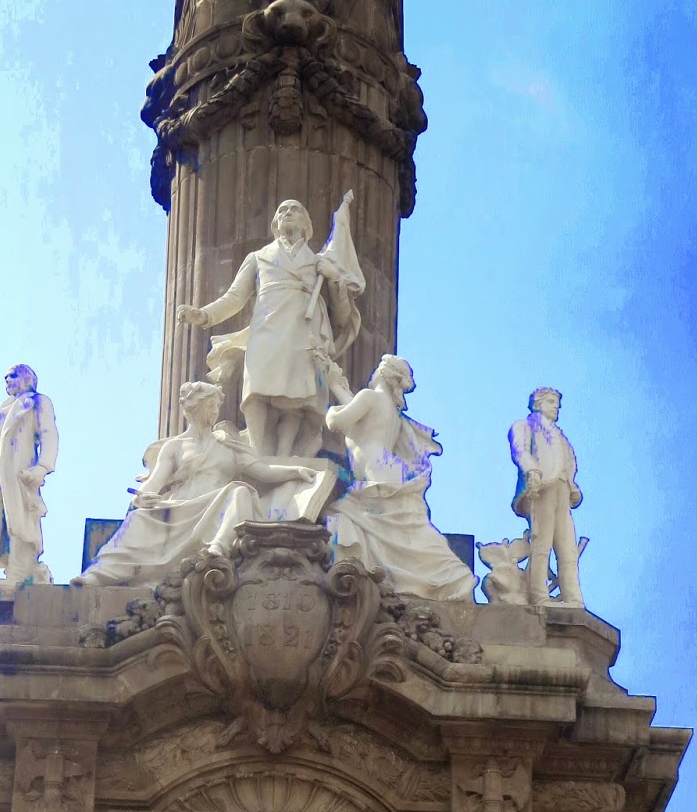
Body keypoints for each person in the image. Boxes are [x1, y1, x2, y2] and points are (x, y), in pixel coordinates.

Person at [72, 382, 316, 587]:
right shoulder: (175, 447)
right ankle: (99, 574)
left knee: (240, 491)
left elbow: (263, 471)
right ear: (195, 408)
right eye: (210, 406)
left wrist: (295, 471)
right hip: (181, 506)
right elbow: (154, 483)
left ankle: (217, 548)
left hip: (215, 507)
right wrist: (141, 497)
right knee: (138, 519)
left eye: (217, 406)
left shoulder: (227, 446)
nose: (215, 411)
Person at [177, 195, 363, 458]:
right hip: (267, 326)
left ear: (306, 225)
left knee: (298, 396)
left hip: (303, 329)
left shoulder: (318, 263)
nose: (288, 212)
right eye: (282, 210)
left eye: (295, 209)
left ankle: (284, 454)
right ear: (275, 223)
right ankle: (256, 448)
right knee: (256, 388)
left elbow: (342, 315)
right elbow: (234, 298)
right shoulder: (258, 257)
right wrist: (203, 315)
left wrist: (335, 279)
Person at [324, 354, 477, 600]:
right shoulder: (387, 408)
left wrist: (331, 408)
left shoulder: (369, 397)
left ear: (383, 373)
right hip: (389, 468)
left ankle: (454, 576)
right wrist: (335, 386)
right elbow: (359, 426)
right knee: (409, 529)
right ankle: (448, 574)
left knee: (350, 519)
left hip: (377, 471)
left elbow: (336, 423)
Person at [0, 364, 59, 586]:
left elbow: (49, 434)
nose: (7, 380)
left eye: (13, 376)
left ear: (27, 379)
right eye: (6, 377)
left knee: (18, 522)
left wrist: (42, 467)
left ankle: (18, 573)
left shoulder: (37, 402)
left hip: (18, 473)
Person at [508, 387, 584, 608]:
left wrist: (572, 485)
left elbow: (568, 461)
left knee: (567, 547)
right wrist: (532, 471)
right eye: (550, 401)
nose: (556, 406)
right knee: (542, 543)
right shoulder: (525, 426)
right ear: (537, 404)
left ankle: (573, 597)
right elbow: (520, 451)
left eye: (557, 403)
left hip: (562, 488)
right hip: (541, 487)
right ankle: (539, 596)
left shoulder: (561, 436)